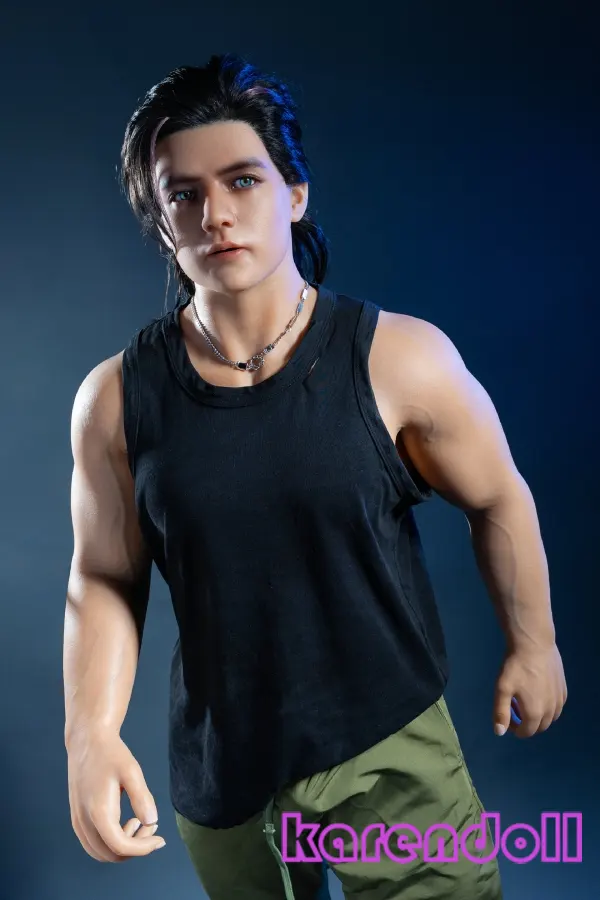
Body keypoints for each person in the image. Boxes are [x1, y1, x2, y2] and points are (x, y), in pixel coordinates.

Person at [63, 53, 567, 900]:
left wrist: (535, 641)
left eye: (242, 181)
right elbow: (105, 575)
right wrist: (88, 735)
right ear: (160, 221)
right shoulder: (116, 398)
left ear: (294, 193)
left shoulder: (400, 360)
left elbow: (497, 496)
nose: (216, 214)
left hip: (387, 746)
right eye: (183, 195)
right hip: (227, 774)